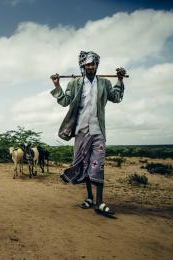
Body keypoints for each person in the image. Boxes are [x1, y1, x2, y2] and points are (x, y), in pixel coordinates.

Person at [50, 51, 126, 216]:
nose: (91, 67)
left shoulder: (105, 83)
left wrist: (119, 79)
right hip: (81, 131)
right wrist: (57, 85)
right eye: (87, 65)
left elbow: (116, 97)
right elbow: (64, 101)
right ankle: (90, 198)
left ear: (97, 65)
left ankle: (100, 202)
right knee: (84, 165)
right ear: (83, 66)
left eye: (93, 64)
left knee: (97, 166)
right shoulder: (75, 84)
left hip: (98, 131)